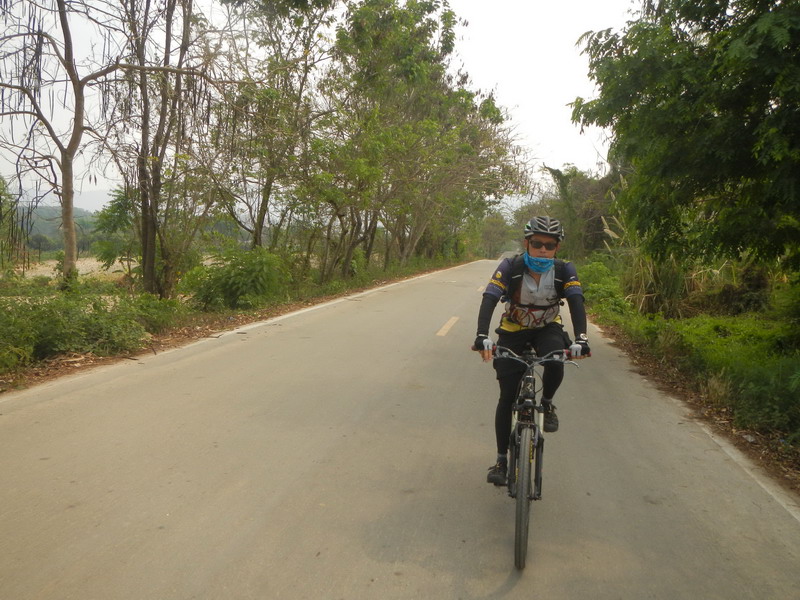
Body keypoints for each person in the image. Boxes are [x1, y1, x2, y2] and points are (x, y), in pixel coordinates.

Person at [474, 216, 591, 486]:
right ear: (527, 243)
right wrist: (481, 335)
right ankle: (501, 461)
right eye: (537, 243)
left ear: (557, 248)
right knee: (507, 396)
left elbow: (576, 301)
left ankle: (547, 403)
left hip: (547, 328)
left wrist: (582, 339)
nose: (543, 250)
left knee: (556, 360)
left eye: (549, 245)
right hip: (513, 328)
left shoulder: (564, 270)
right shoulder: (510, 266)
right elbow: (490, 297)